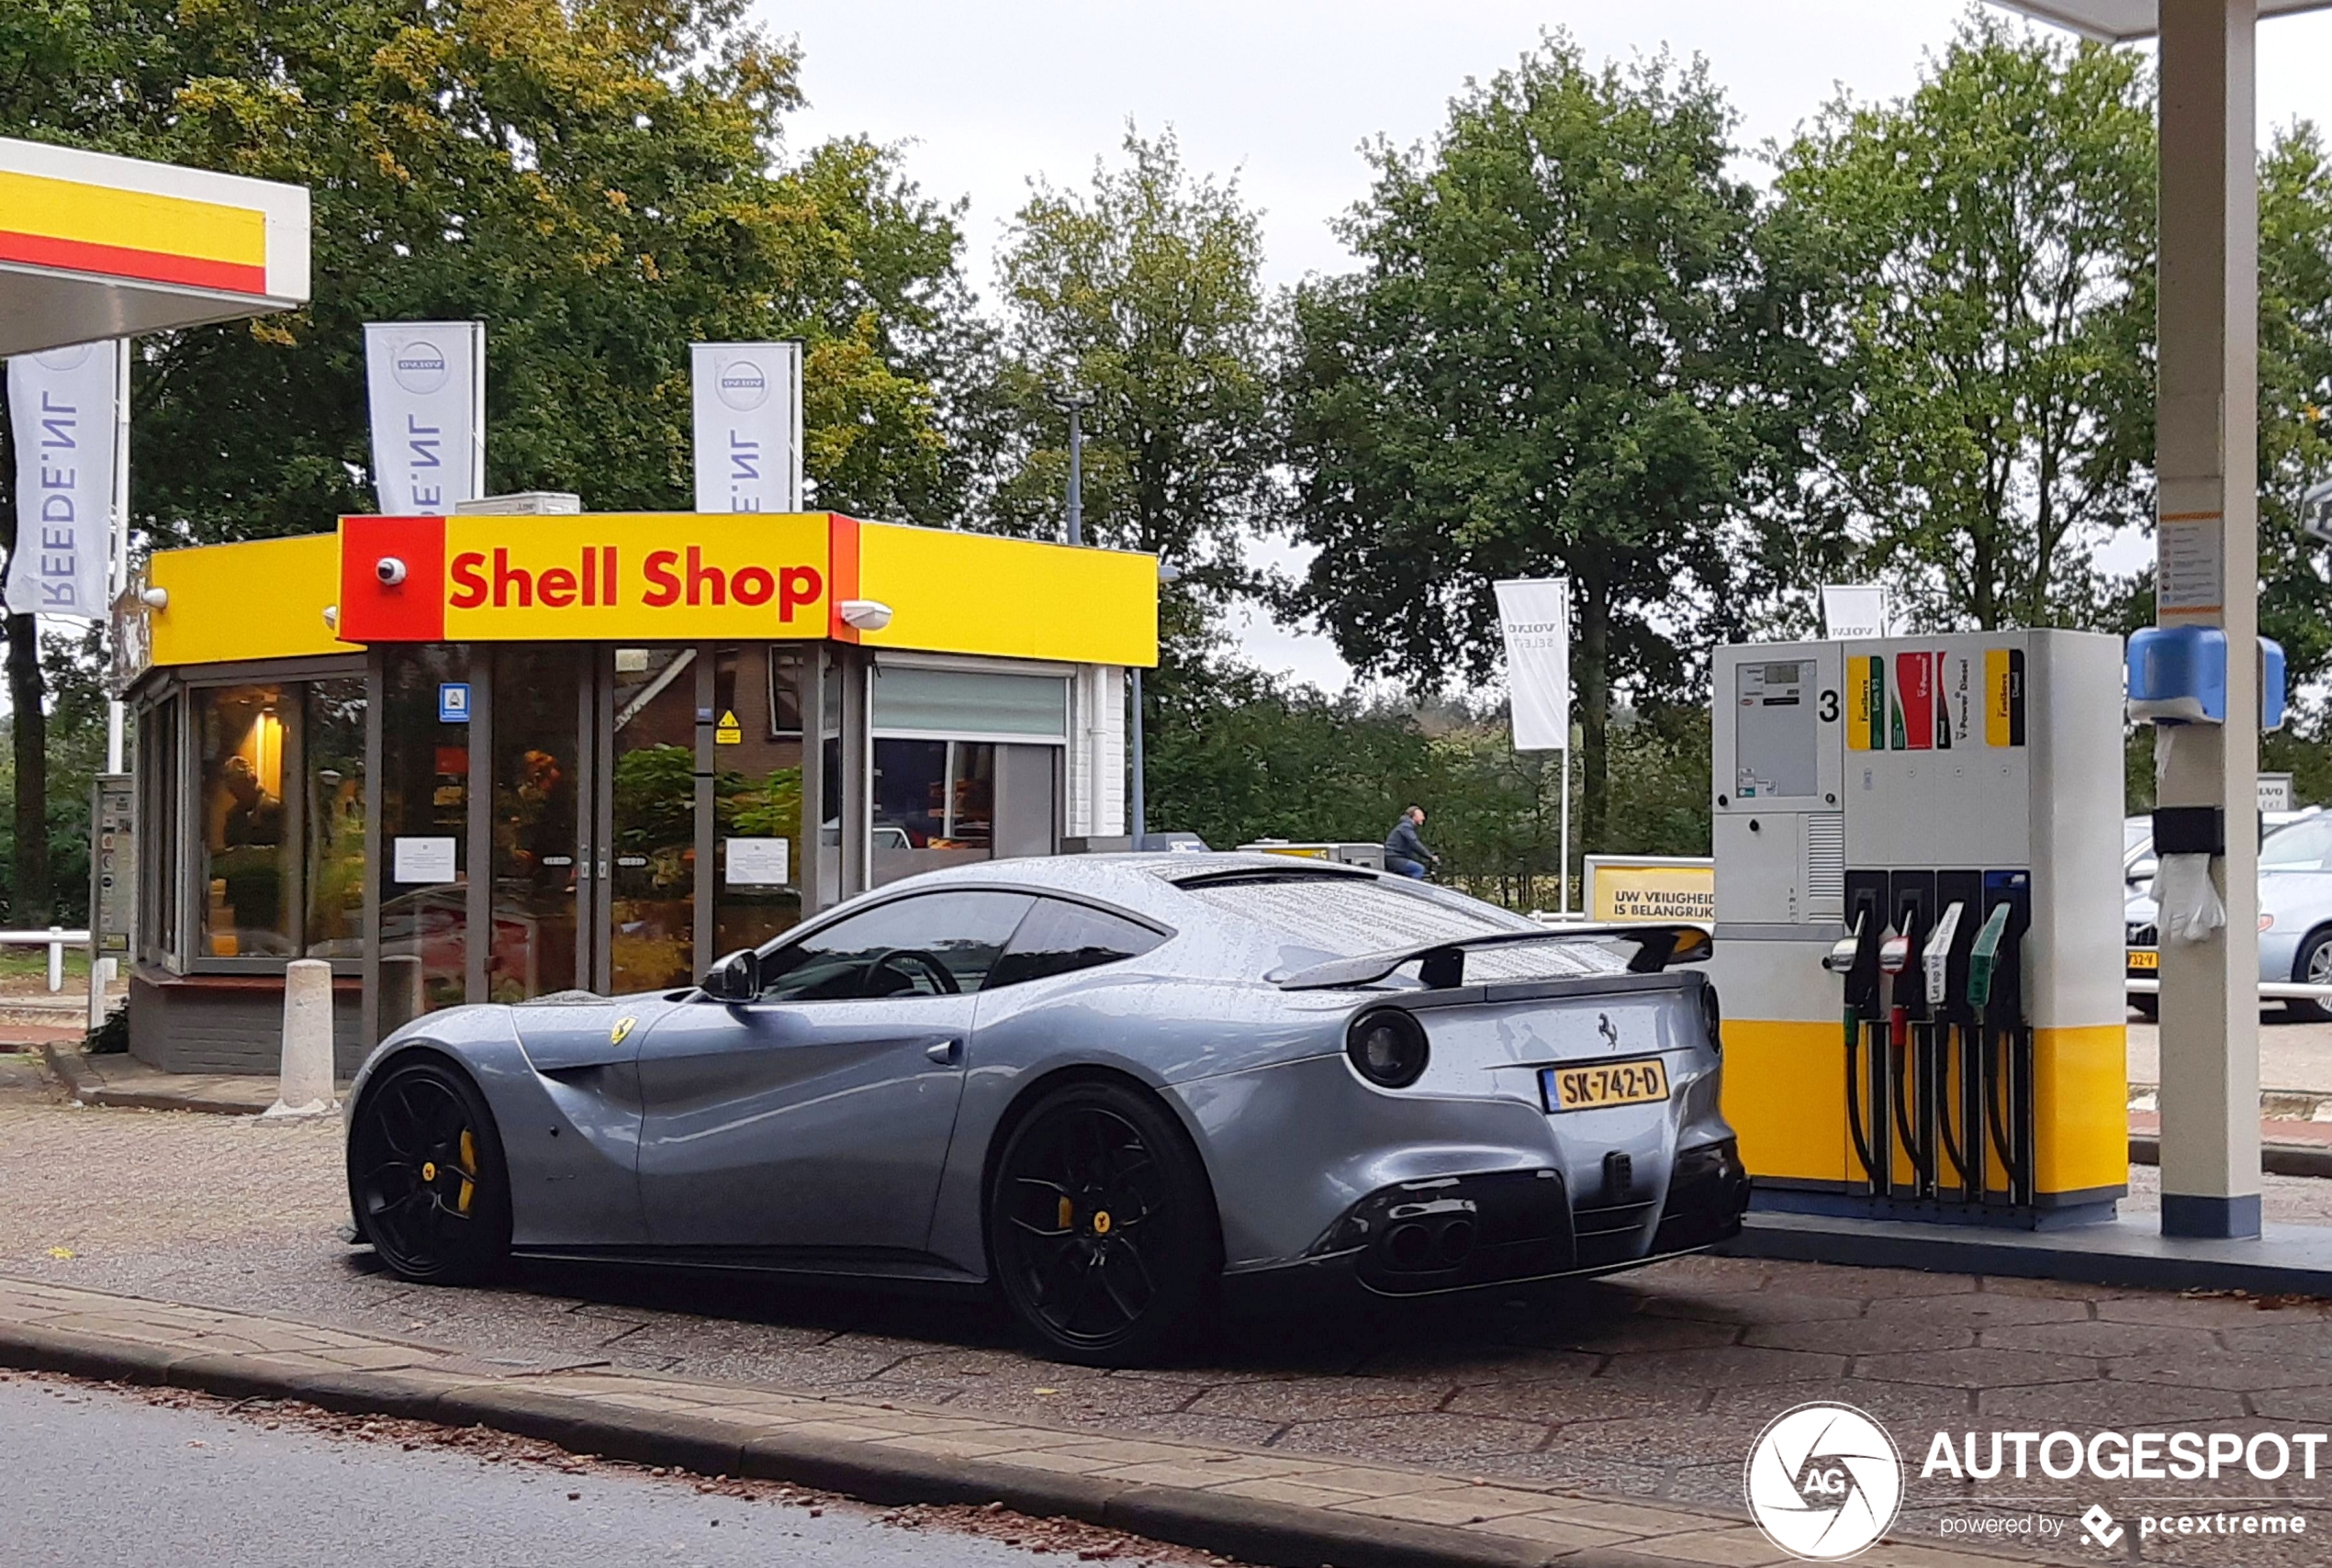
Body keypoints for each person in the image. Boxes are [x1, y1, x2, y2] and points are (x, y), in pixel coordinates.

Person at [1383, 805, 1439, 879]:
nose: (1423, 818)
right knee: (1418, 869)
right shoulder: (1406, 827)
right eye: (1421, 816)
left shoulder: (1405, 827)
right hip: (1394, 857)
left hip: (1394, 857)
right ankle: (1413, 890)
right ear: (1413, 816)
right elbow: (1415, 843)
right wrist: (1430, 856)